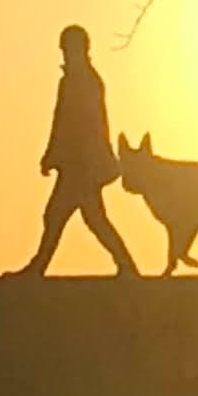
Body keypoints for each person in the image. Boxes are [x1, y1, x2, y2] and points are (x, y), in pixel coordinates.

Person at [17, 23, 141, 275]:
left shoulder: (83, 82)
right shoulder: (80, 80)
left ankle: (38, 267)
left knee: (58, 215)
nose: (64, 54)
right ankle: (126, 265)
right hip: (79, 164)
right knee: (90, 218)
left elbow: (73, 124)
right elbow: (63, 122)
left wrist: (55, 155)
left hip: (81, 166)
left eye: (67, 49)